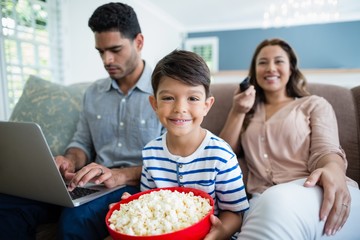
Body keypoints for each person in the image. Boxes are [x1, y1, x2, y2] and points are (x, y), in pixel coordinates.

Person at [0, 2, 163, 240]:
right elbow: (82, 142)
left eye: (115, 49)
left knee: (75, 222)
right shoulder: (94, 93)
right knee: (8, 205)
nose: (107, 60)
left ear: (139, 42)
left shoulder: (165, 91)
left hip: (133, 184)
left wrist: (119, 174)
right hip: (90, 183)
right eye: (100, 51)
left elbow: (173, 158)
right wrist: (69, 160)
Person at [219, 38, 360, 239]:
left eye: (279, 61)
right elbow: (223, 155)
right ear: (254, 71)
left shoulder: (313, 104)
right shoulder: (247, 113)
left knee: (276, 201)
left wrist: (333, 169)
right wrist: (238, 110)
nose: (270, 68)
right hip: (261, 200)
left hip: (311, 190)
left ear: (291, 69)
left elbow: (326, 150)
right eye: (262, 62)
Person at [131, 49, 249, 240]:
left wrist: (221, 232)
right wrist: (134, 210)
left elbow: (235, 213)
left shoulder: (220, 155)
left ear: (207, 105)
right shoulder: (151, 153)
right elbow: (150, 205)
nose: (180, 109)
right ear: (154, 104)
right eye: (168, 98)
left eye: (192, 98)